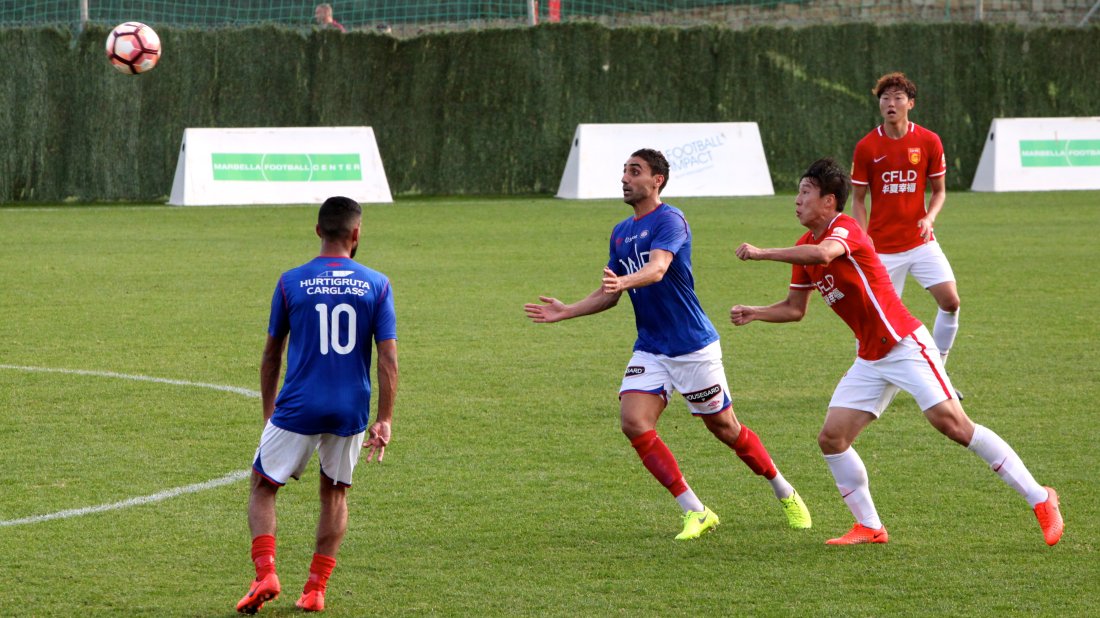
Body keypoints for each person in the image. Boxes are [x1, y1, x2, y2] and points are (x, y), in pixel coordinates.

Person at [729, 158, 1063, 546]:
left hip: (905, 343)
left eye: (805, 192)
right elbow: (794, 309)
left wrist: (761, 253)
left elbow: (824, 256)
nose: (797, 200)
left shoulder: (845, 229)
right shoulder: (805, 246)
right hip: (870, 358)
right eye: (798, 192)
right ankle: (869, 527)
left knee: (953, 424)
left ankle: (1041, 497)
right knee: (832, 438)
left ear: (829, 201)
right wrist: (756, 313)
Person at [524, 148, 812, 540]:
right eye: (624, 171)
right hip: (651, 348)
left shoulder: (670, 219)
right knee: (634, 422)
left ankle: (784, 489)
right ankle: (695, 510)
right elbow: (610, 293)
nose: (625, 178)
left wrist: (625, 282)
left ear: (657, 180)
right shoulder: (621, 232)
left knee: (725, 428)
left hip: (693, 348)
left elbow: (657, 269)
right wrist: (567, 310)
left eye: (635, 171)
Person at [237, 196, 398, 613]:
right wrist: (384, 418)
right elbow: (388, 358)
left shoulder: (291, 281)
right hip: (350, 410)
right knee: (335, 494)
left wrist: (270, 412)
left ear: (317, 230)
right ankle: (315, 589)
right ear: (356, 233)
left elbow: (272, 354)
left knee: (263, 485)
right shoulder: (377, 284)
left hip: (299, 406)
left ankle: (266, 572)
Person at [850, 72, 962, 398]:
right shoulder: (867, 147)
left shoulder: (928, 141)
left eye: (898, 97)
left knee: (951, 301)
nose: (891, 103)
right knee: (875, 323)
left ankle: (938, 372)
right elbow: (857, 198)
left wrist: (929, 216)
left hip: (920, 242)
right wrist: (862, 237)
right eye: (885, 98)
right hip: (881, 250)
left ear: (910, 104)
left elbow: (939, 191)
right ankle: (868, 382)